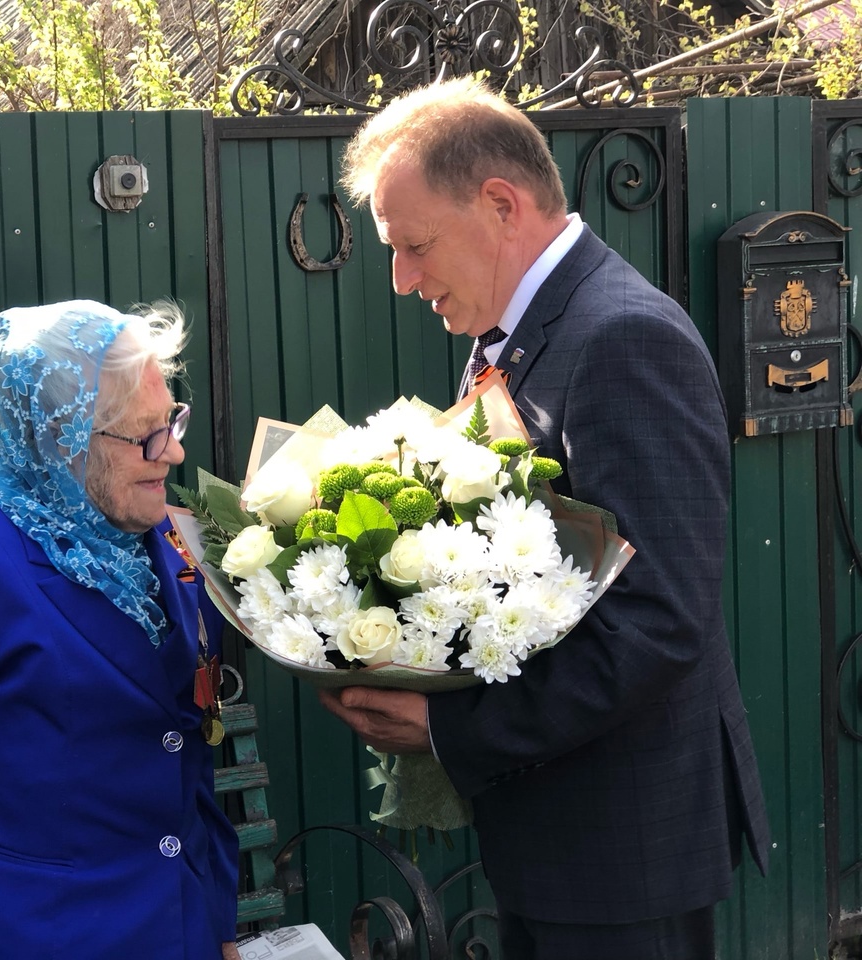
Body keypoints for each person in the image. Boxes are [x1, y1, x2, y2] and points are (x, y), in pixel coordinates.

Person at [318, 77, 770, 960]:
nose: (402, 280)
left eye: (413, 246)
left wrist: (452, 729)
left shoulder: (622, 338)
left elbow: (659, 620)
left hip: (623, 845)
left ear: (500, 203)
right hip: (565, 834)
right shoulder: (519, 336)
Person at [0, 300, 240, 960]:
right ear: (61, 442)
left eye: (172, 420)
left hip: (177, 931)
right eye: (145, 434)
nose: (172, 450)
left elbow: (185, 754)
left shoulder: (167, 543)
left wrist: (216, 920)